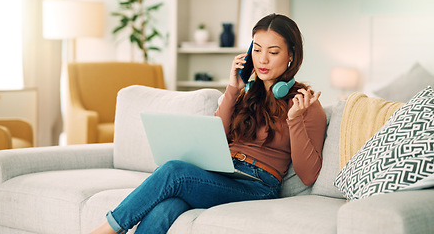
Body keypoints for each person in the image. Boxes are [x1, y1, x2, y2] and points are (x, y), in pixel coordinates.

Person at [90, 13, 326, 234]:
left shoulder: (305, 104)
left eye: (273, 52)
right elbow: (216, 138)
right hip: (224, 173)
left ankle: (107, 229)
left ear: (291, 56)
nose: (262, 60)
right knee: (168, 206)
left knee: (174, 171)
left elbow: (308, 175)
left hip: (259, 187)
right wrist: (233, 90)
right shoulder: (247, 94)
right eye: (257, 50)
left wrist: (294, 119)